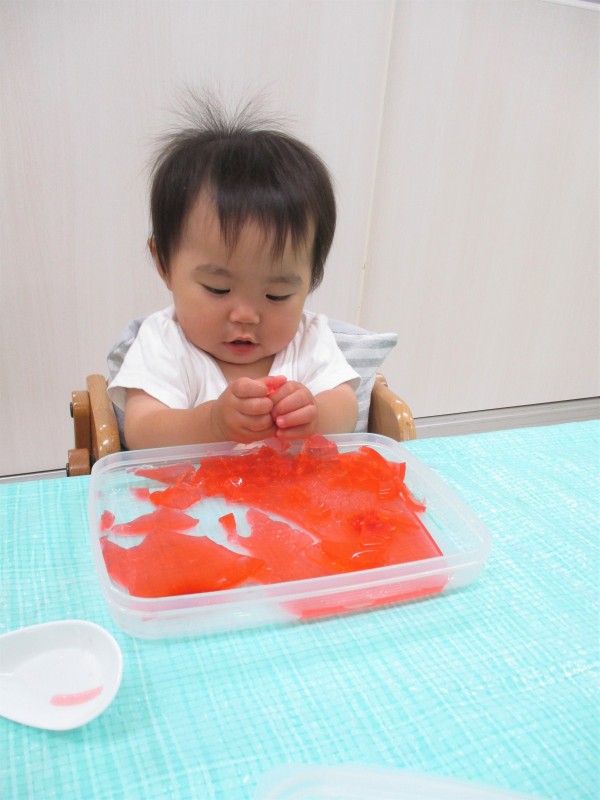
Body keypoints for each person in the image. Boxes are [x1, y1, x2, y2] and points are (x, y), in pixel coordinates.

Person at [108, 95, 359, 449]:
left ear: (311, 280)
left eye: (276, 295)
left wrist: (315, 416)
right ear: (164, 263)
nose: (245, 315)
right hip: (191, 487)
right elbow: (142, 432)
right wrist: (212, 423)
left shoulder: (309, 340)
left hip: (293, 487)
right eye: (218, 288)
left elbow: (346, 410)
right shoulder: (163, 343)